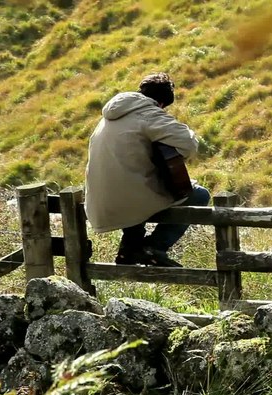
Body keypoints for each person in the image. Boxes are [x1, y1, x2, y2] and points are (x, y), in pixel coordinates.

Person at [84, 72, 210, 267]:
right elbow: (189, 143)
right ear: (161, 103)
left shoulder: (108, 117)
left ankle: (130, 248)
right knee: (200, 195)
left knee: (135, 181)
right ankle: (153, 247)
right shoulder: (147, 113)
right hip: (129, 199)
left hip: (100, 203)